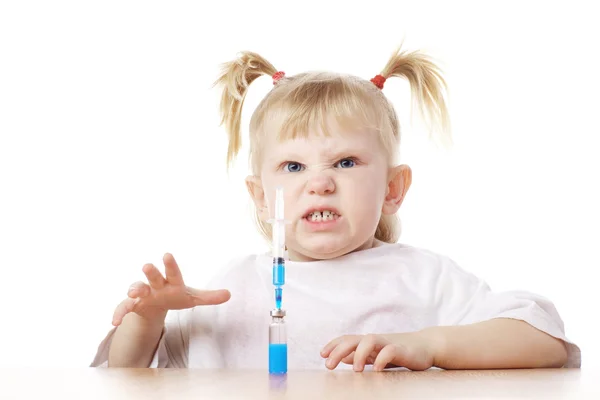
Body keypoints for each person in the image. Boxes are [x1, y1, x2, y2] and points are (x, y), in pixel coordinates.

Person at [90, 45, 580, 371]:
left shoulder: (422, 278)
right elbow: (127, 375)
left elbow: (544, 344)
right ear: (261, 198)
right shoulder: (230, 290)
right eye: (293, 167)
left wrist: (429, 345)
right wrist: (147, 318)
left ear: (393, 188)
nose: (320, 183)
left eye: (345, 162)